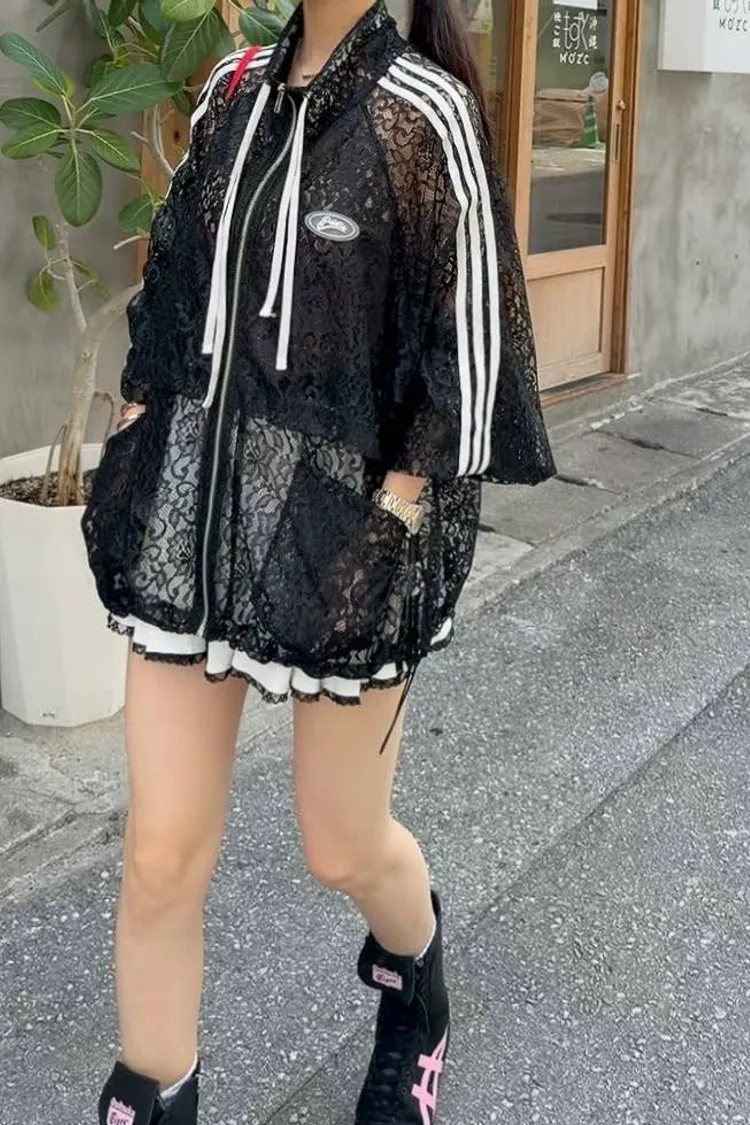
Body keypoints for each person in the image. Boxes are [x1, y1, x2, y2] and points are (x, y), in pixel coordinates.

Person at [83, 1, 555, 1122]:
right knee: (158, 856)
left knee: (341, 844)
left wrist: (390, 524)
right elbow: (174, 286)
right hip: (193, 527)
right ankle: (154, 1093)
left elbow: (472, 353)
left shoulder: (425, 112)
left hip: (350, 541)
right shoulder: (231, 89)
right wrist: (140, 436)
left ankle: (415, 976)